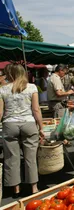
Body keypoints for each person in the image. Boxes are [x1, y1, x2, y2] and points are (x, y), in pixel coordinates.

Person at [0, 64, 45, 197]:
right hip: (28, 123)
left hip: (10, 124)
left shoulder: (3, 89)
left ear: (10, 74)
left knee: (11, 157)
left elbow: (0, 112)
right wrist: (41, 127)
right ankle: (34, 188)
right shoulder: (31, 87)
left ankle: (16, 189)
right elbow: (36, 110)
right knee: (30, 157)